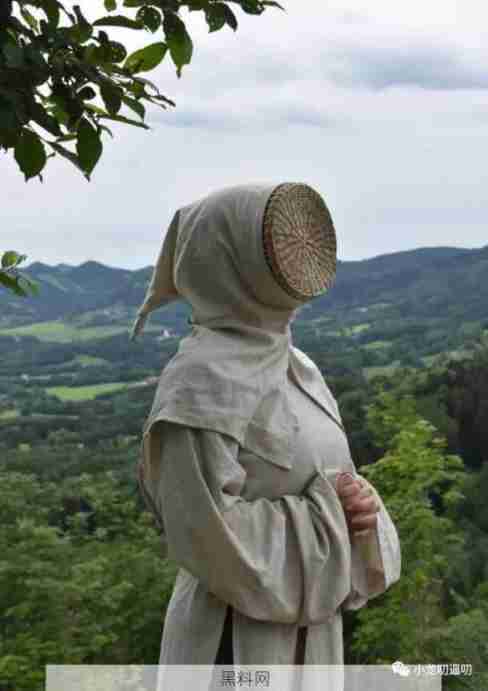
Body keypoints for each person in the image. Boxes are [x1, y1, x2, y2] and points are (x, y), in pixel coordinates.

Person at [129, 182, 402, 679]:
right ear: (228, 260)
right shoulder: (198, 383)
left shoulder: (300, 367)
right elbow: (204, 532)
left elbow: (328, 477)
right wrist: (330, 515)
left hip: (311, 643)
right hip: (232, 645)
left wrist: (362, 506)